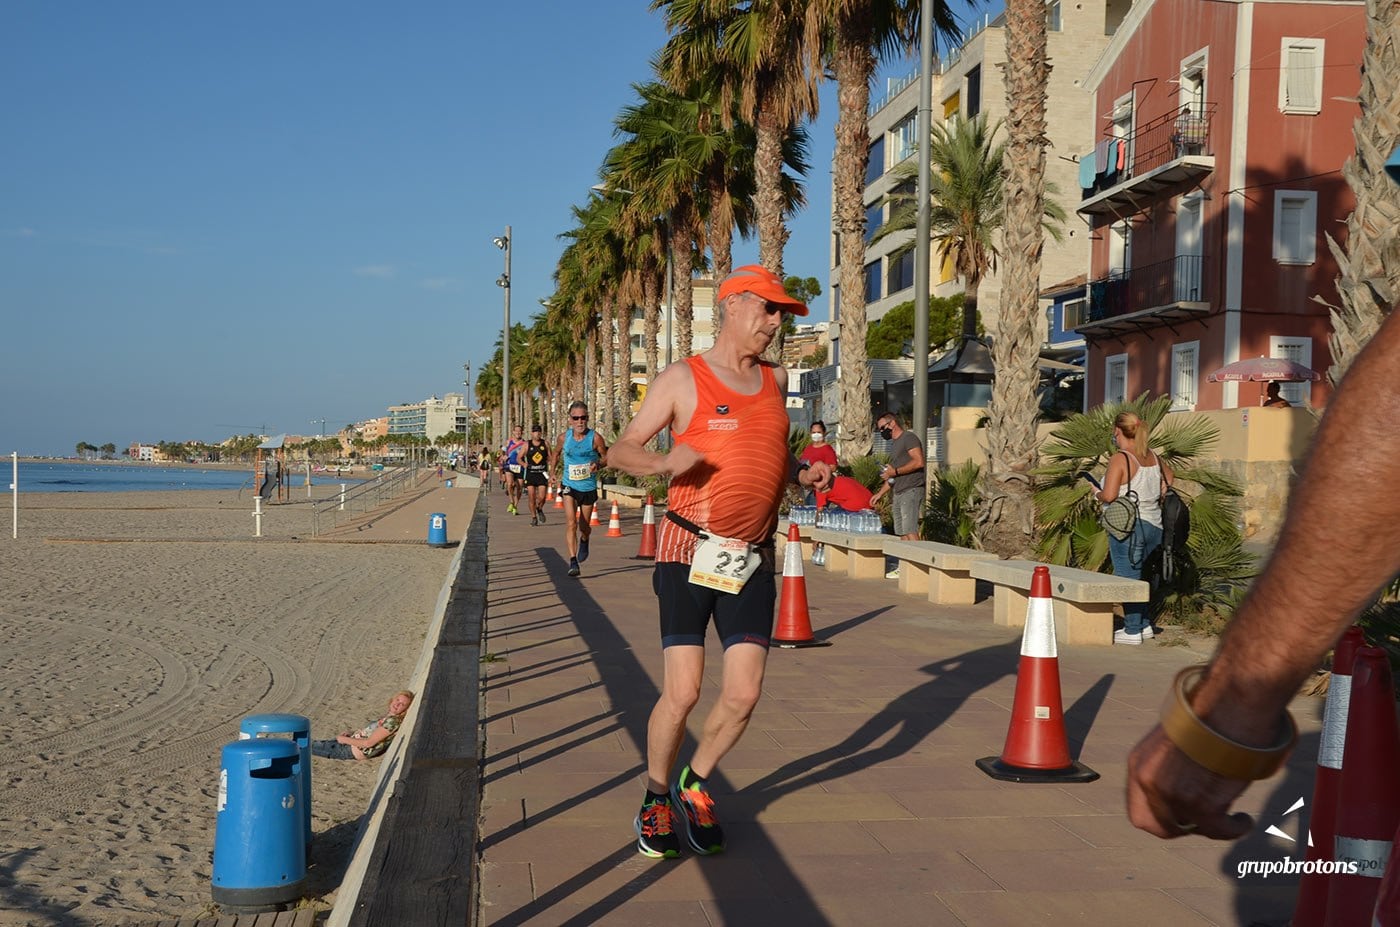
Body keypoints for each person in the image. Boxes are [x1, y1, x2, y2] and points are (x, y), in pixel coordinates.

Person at [608, 264, 833, 860]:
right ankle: (655, 797)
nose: (776, 321)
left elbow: (770, 455)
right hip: (687, 550)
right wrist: (661, 465)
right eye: (769, 308)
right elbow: (621, 449)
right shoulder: (684, 379)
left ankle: (694, 781)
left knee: (744, 693)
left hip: (752, 557)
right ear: (732, 305)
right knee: (682, 693)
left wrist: (802, 473)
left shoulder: (777, 378)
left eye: (782, 312)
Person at [1094, 411, 1175, 645]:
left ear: (1117, 431)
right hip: (1154, 525)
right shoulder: (1152, 456)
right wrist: (1158, 489)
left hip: (1128, 527)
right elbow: (1170, 478)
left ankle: (1131, 631)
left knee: (1128, 577)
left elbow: (1109, 495)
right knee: (1141, 577)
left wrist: (1095, 492)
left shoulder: (1121, 458)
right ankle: (1144, 624)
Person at [552, 401, 608, 577]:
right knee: (571, 522)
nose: (579, 421)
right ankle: (573, 560)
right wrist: (552, 472)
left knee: (584, 526)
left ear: (588, 418)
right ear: (570, 420)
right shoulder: (563, 437)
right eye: (576, 418)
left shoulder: (596, 438)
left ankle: (585, 539)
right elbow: (555, 453)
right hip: (569, 485)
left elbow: (607, 458)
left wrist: (598, 464)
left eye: (583, 417)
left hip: (588, 487)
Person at [876, 412, 925, 578]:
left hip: (911, 489)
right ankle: (905, 567)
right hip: (898, 491)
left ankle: (921, 569)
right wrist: (880, 494)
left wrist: (895, 471)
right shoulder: (895, 444)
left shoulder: (908, 438)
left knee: (910, 529)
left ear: (892, 423)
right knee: (902, 532)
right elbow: (893, 476)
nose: (882, 431)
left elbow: (919, 461)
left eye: (883, 428)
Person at [311, 690, 414, 761]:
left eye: (403, 704)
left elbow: (368, 743)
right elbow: (370, 733)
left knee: (307, 746)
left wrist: (342, 739)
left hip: (350, 750)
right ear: (393, 700)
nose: (397, 704)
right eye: (398, 700)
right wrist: (351, 734)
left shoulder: (392, 722)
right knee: (309, 746)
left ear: (405, 710)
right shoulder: (389, 718)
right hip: (350, 744)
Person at [799, 420, 839, 503]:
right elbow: (802, 463)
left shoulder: (827, 449)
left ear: (824, 433)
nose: (816, 434)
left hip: (820, 489)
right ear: (810, 433)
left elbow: (833, 467)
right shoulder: (808, 448)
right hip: (807, 488)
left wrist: (817, 472)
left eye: (818, 432)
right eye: (814, 432)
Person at [523, 424, 551, 526]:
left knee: (542, 497)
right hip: (531, 474)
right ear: (531, 433)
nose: (537, 433)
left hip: (542, 473)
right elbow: (519, 457)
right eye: (535, 431)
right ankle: (534, 517)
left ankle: (539, 509)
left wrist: (551, 467)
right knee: (531, 497)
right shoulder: (527, 444)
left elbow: (551, 457)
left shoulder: (545, 444)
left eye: (539, 431)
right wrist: (524, 464)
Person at [502, 425, 526, 514]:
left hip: (520, 467)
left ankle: (515, 506)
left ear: (522, 432)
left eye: (520, 431)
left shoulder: (524, 443)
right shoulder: (509, 442)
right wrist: (504, 456)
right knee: (510, 484)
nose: (518, 433)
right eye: (516, 431)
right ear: (513, 432)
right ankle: (511, 502)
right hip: (509, 465)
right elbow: (503, 451)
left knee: (519, 488)